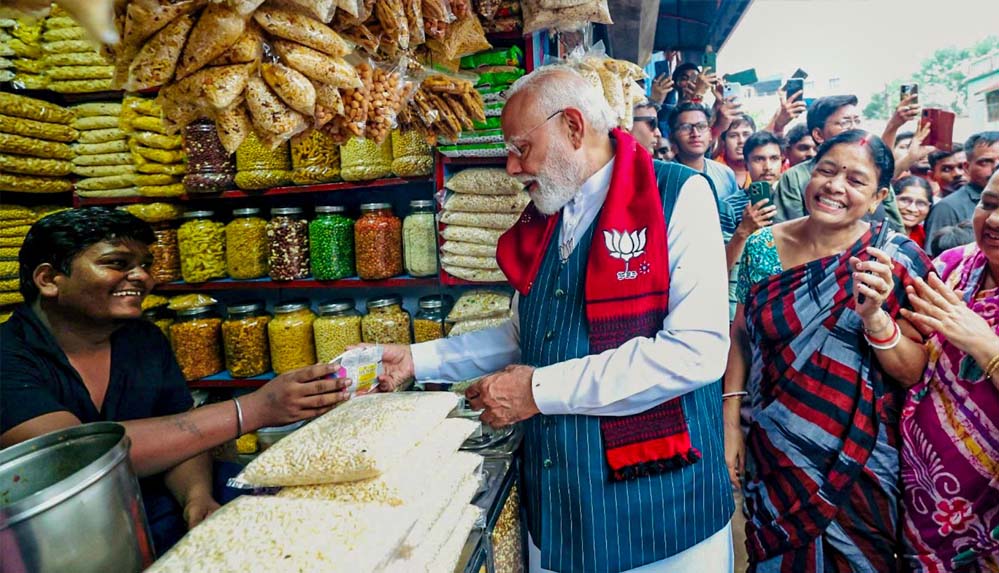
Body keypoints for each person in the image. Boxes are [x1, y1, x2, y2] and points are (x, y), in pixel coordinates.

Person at [376, 66, 734, 573]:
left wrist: (537, 391)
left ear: (572, 126)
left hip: (662, 515)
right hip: (564, 508)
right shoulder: (547, 215)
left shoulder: (678, 195)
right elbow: (530, 335)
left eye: (521, 147)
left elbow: (695, 353)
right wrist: (417, 360)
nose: (512, 167)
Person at [0, 208, 350, 554]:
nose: (142, 277)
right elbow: (74, 457)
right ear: (48, 280)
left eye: (145, 264)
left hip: (157, 506)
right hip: (58, 537)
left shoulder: (143, 339)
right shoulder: (8, 355)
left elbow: (179, 430)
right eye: (117, 263)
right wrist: (253, 409)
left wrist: (195, 496)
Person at [724, 130, 933, 571]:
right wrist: (730, 423)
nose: (835, 186)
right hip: (774, 446)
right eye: (827, 171)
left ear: (878, 198)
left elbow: (914, 372)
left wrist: (876, 317)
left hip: (859, 459)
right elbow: (740, 335)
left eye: (855, 180)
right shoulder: (763, 246)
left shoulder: (895, 260)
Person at [897, 169, 999, 572]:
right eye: (988, 203)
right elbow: (911, 363)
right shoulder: (951, 266)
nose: (993, 220)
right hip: (928, 481)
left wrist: (985, 346)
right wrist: (879, 324)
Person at [772, 95, 905, 231]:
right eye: (845, 123)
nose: (854, 128)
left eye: (857, 121)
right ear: (818, 134)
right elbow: (789, 231)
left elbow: (897, 229)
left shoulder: (874, 173)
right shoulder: (795, 177)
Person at [924, 131, 999, 254]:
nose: (996, 167)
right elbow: (936, 258)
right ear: (966, 167)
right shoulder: (947, 208)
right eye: (985, 162)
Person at [668, 101, 740, 202]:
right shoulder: (664, 175)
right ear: (672, 137)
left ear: (710, 134)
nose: (695, 134)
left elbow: (736, 210)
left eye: (701, 127)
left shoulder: (726, 174)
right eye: (685, 127)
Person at [715, 115, 756, 189]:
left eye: (746, 135)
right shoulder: (713, 170)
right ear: (723, 142)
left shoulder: (761, 169)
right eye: (733, 136)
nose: (741, 141)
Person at [894, 175, 933, 247]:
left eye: (921, 203)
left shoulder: (926, 237)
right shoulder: (877, 230)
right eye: (905, 200)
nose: (912, 209)